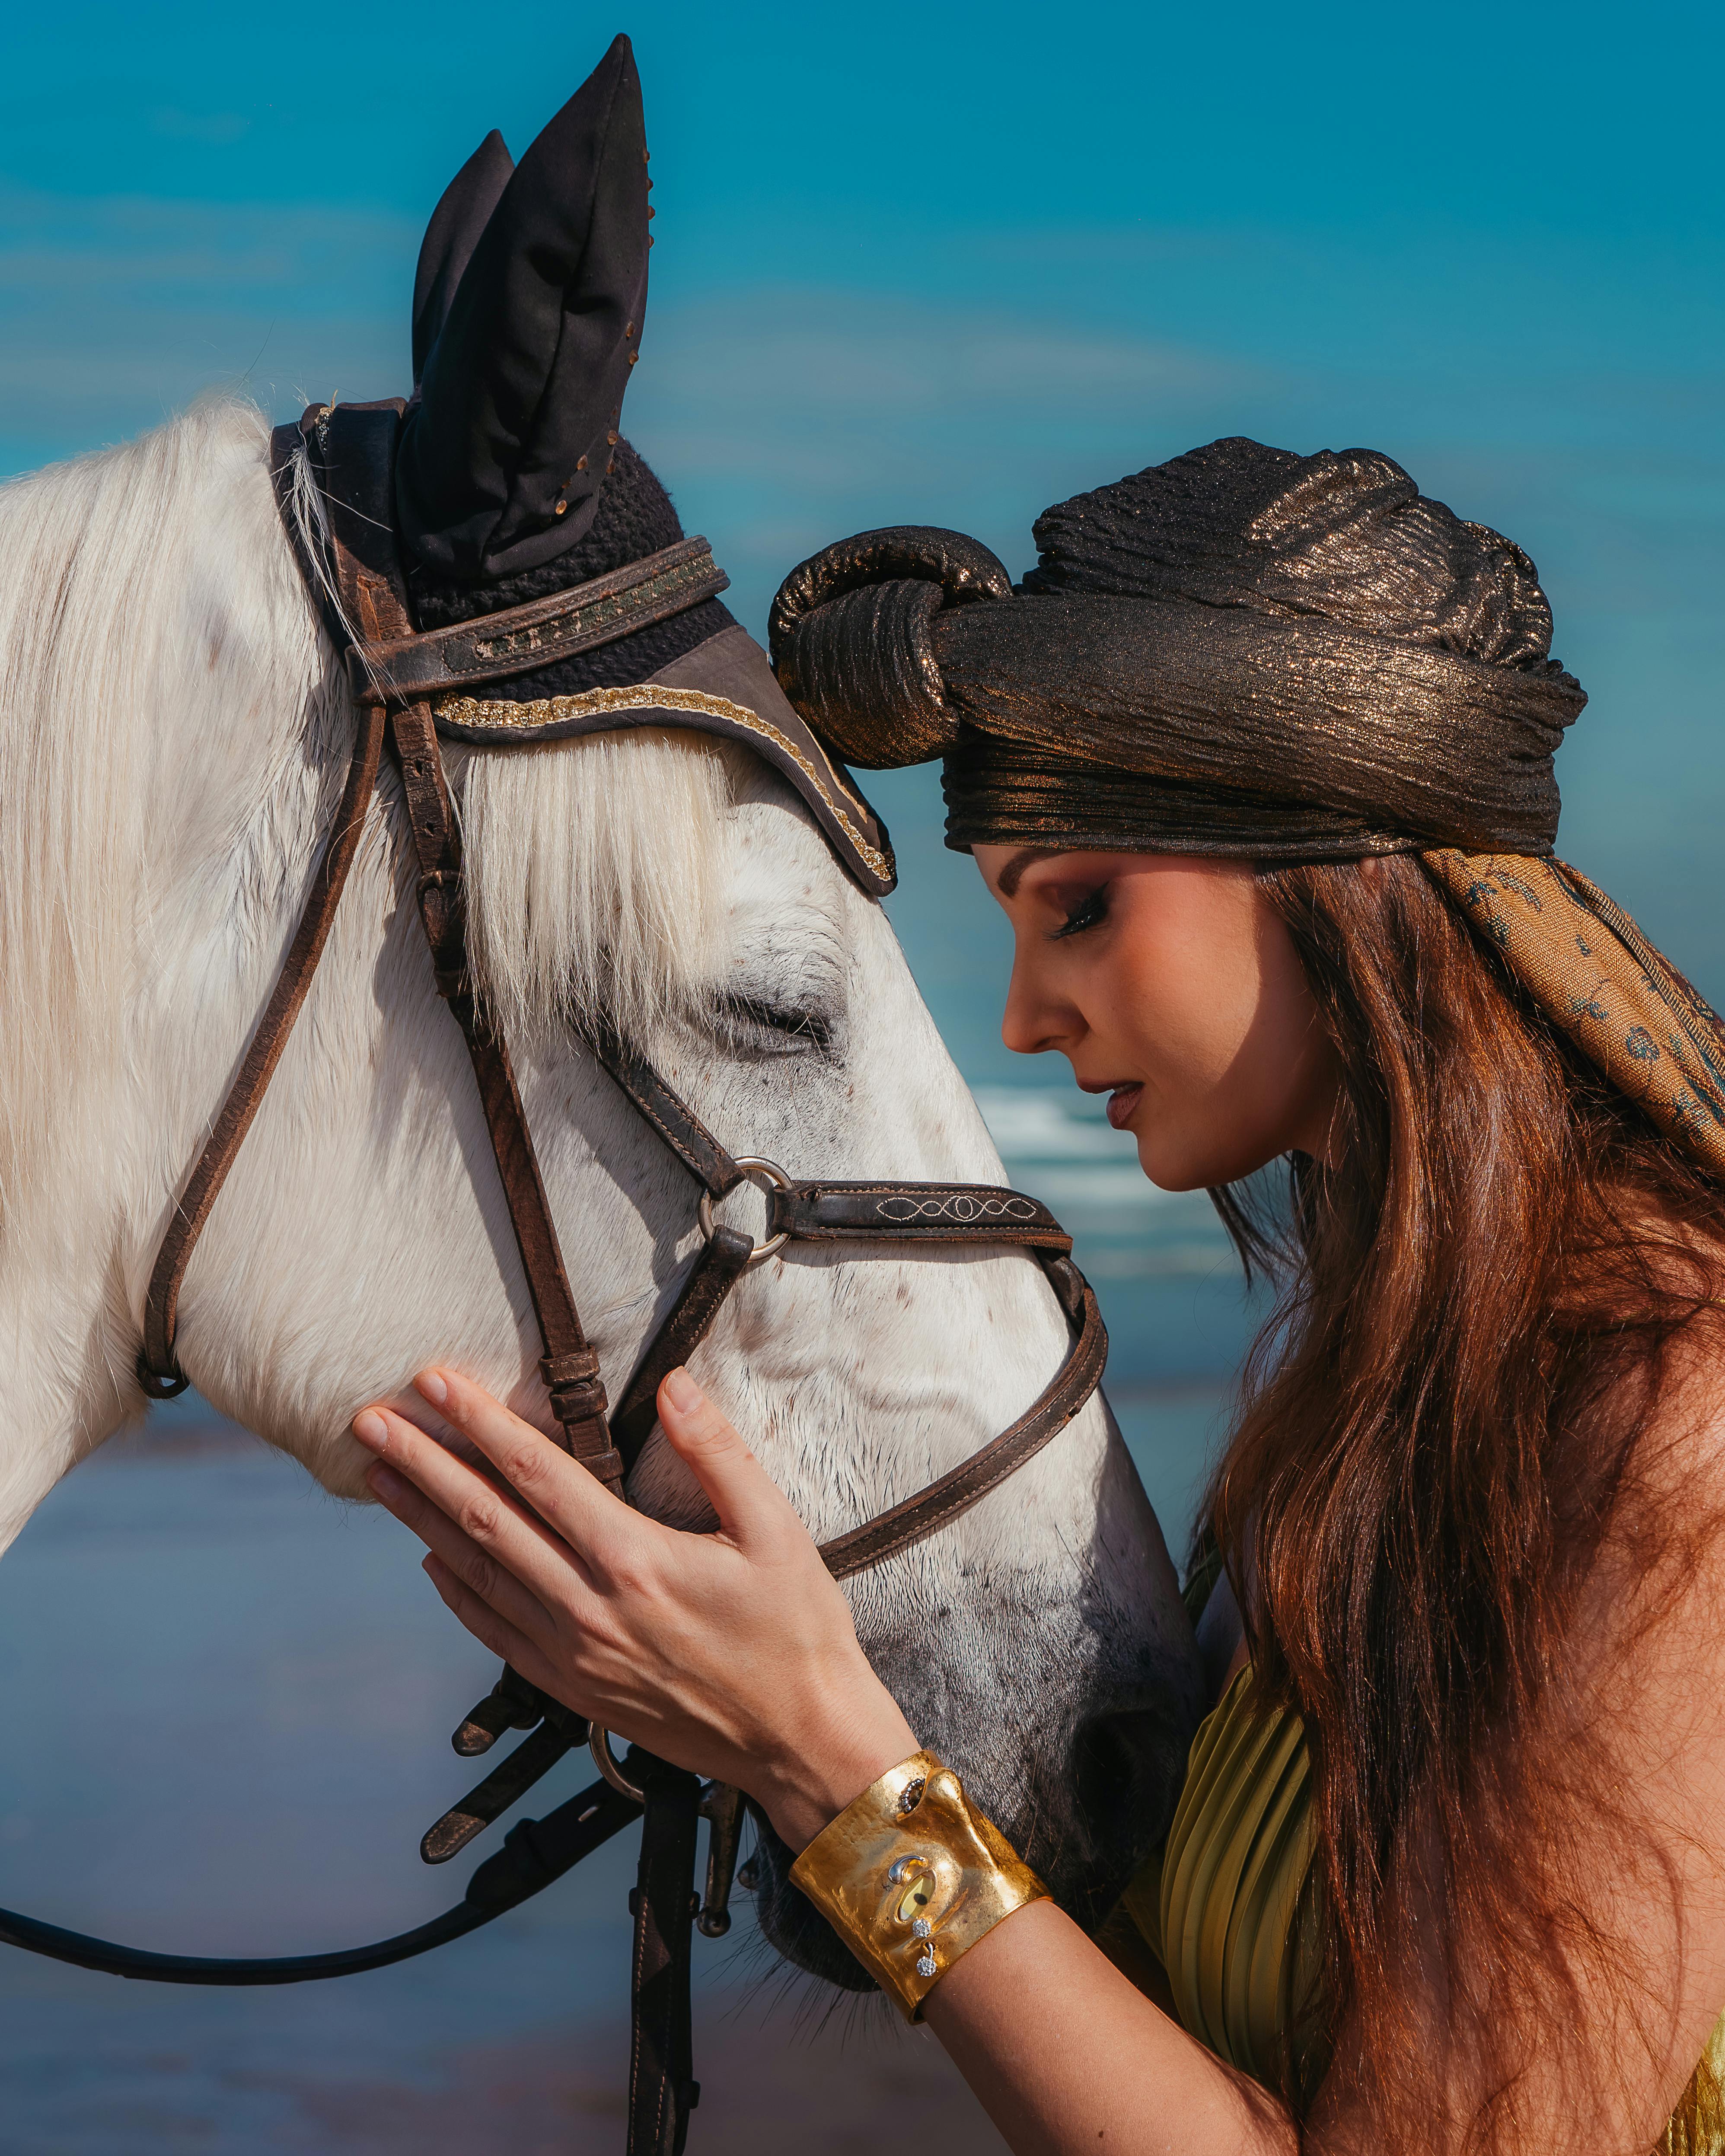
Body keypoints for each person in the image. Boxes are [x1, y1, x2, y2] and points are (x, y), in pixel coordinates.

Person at [348, 438, 1725, 2154]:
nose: (1020, 1017)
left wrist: (825, 1766)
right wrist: (719, 1679)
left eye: (1078, 906)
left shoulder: (1666, 1416)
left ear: (1333, 869)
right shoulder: (1363, 1380)